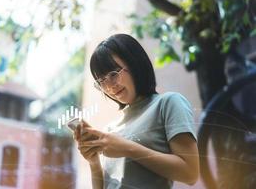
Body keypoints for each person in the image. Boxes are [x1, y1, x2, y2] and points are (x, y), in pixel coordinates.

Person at [74, 33, 199, 189]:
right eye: (102, 82)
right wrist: (93, 162)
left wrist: (127, 148)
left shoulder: (168, 103)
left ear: (135, 64)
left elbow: (190, 174)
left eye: (113, 74)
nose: (110, 87)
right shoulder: (110, 130)